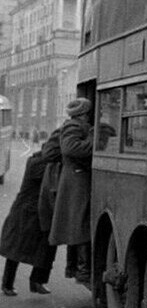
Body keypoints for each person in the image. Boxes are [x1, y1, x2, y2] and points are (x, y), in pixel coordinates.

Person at [49, 98, 94, 286]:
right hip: (77, 180)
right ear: (83, 114)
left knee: (78, 223)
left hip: (75, 179)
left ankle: (75, 267)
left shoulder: (73, 125)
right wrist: (94, 139)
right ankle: (82, 269)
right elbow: (70, 148)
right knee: (80, 224)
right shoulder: (73, 127)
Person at [1, 149, 58, 295]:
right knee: (17, 248)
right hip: (27, 211)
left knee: (44, 247)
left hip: (37, 210)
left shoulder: (42, 161)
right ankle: (8, 284)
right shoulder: (38, 163)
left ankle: (36, 282)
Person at [38, 126, 80, 278]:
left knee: (71, 225)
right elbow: (49, 153)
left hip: (59, 187)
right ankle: (71, 268)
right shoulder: (66, 131)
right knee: (71, 225)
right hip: (57, 188)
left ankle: (41, 277)